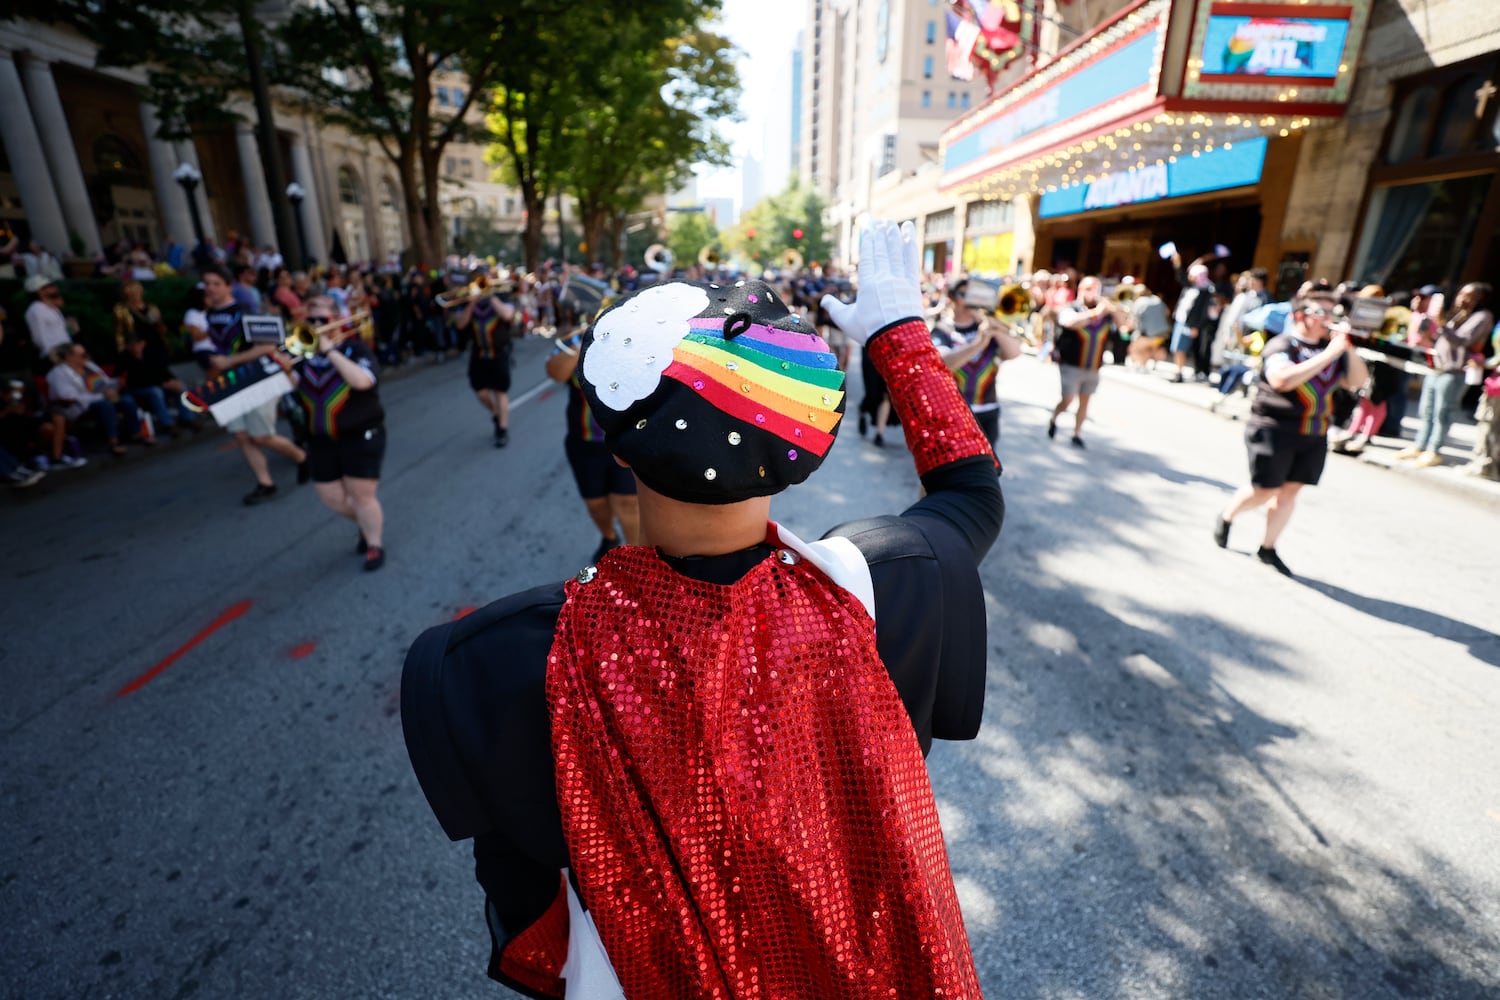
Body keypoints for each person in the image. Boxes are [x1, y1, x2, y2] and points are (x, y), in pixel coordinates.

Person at [401, 220, 999, 998]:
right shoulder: (889, 583)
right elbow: (971, 492)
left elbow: (526, 907)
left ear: (617, 445)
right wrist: (899, 334)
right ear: (795, 443)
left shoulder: (503, 663)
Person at [1213, 280, 1368, 577]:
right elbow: (1282, 380)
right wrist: (1329, 355)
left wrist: (1347, 349)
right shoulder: (1283, 344)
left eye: (1331, 312)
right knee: (1265, 489)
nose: (1327, 318)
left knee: (1289, 492)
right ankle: (1228, 515)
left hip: (1313, 432)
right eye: (1320, 312)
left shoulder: (1332, 349)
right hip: (1274, 427)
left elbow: (1357, 382)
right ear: (1300, 315)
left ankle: (1268, 547)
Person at [276, 296, 388, 571]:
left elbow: (362, 381)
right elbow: (294, 387)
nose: (315, 326)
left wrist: (330, 351)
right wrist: (283, 368)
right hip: (320, 439)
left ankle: (374, 543)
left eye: (321, 321)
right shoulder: (303, 356)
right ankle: (365, 523)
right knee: (332, 497)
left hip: (360, 434)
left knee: (361, 495)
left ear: (337, 321)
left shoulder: (356, 349)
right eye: (310, 321)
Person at [194, 266, 308, 504]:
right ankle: (265, 482)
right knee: (242, 435)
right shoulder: (208, 316)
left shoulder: (246, 311)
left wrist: (230, 360)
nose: (211, 288)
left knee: (261, 436)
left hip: (261, 377)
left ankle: (302, 458)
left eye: (216, 283)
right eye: (207, 283)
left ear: (228, 286)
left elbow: (268, 346)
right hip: (233, 381)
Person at [546, 329, 641, 563]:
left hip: (625, 440)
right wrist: (583, 346)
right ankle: (609, 537)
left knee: (627, 502)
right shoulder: (575, 338)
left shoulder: (639, 333)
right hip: (585, 442)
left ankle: (638, 559)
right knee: (595, 503)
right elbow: (555, 373)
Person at [1395, 282, 1494, 467]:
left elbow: (1462, 340)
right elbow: (1444, 338)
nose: (1461, 298)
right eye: (1461, 293)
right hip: (1437, 367)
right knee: (1427, 409)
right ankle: (1420, 445)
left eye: (1468, 295)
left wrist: (1441, 323)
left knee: (1443, 412)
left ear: (1480, 298)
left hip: (1455, 371)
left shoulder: (1482, 316)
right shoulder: (1458, 314)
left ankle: (1434, 450)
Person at [931, 277, 1022, 446]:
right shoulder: (942, 329)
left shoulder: (987, 325)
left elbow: (1013, 353)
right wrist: (977, 343)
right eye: (963, 294)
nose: (969, 300)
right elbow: (943, 363)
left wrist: (992, 324)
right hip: (951, 414)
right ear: (952, 298)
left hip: (987, 412)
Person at [1048, 275, 1125, 448]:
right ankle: (1054, 417)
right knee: (1067, 400)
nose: (1093, 293)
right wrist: (1097, 313)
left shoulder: (1106, 312)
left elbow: (1125, 328)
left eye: (1096, 289)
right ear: (1080, 290)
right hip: (1071, 364)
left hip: (1093, 366)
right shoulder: (1071, 308)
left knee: (1085, 401)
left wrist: (1113, 310)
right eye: (1088, 288)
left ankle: (1077, 433)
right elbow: (1069, 322)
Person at [453, 271, 517, 446]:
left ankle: (502, 430)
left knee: (500, 391)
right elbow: (460, 324)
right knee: (480, 391)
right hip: (479, 354)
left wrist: (491, 297)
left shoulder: (502, 296)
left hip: (499, 353)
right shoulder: (470, 301)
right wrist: (472, 303)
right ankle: (497, 413)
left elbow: (507, 315)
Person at [45, 343, 141, 457]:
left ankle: (136, 434)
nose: (86, 357)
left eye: (86, 354)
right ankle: (113, 442)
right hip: (80, 406)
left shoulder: (89, 366)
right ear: (69, 357)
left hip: (104, 397)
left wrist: (117, 382)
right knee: (105, 405)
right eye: (82, 355)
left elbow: (105, 381)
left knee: (127, 400)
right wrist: (101, 396)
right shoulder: (58, 373)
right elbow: (69, 396)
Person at [1169, 254, 1214, 383]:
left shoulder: (1206, 291)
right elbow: (1181, 276)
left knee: (1182, 348)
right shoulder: (1190, 287)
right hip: (1181, 321)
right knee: (1176, 348)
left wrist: (1196, 326)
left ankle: (1181, 372)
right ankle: (1179, 371)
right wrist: (1177, 263)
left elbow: (1201, 312)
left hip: (1191, 324)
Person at [24, 277, 76, 365]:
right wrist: (54, 356)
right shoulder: (35, 310)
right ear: (39, 291)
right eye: (49, 286)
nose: (54, 287)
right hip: (55, 356)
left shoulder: (52, 307)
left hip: (68, 352)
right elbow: (38, 337)